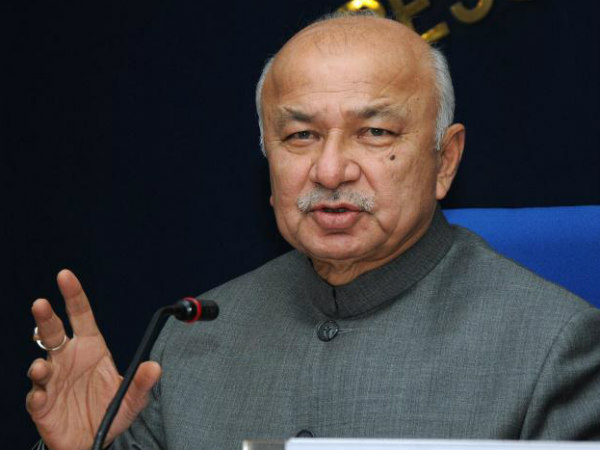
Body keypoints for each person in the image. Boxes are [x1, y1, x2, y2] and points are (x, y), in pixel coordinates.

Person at [26, 13, 600, 450]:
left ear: (445, 160)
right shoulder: (190, 335)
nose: (329, 171)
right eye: (300, 136)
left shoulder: (555, 346)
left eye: (375, 132)